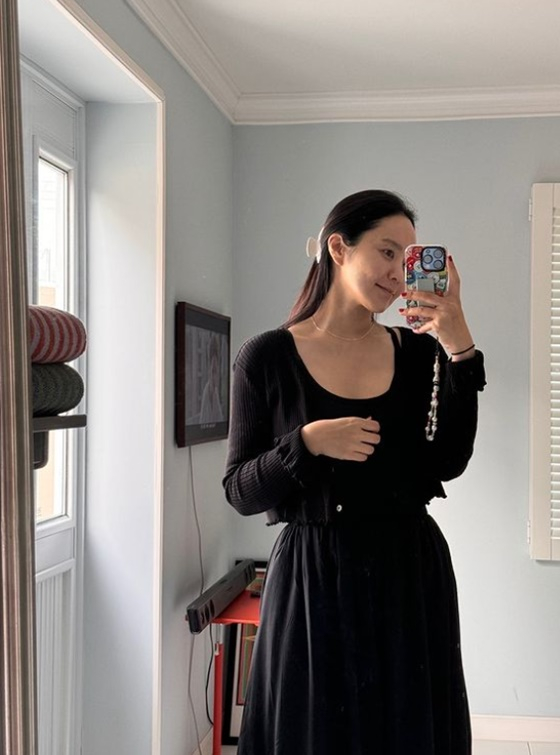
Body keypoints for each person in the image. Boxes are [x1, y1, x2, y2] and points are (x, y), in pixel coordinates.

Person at [223, 189, 486, 755]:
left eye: (407, 259)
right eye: (387, 252)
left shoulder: (419, 352)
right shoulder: (265, 357)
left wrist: (460, 345)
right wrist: (306, 444)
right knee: (313, 731)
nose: (397, 273)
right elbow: (240, 490)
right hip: (313, 576)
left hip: (408, 572)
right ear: (339, 249)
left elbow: (450, 460)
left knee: (407, 731)